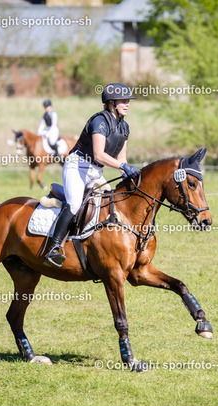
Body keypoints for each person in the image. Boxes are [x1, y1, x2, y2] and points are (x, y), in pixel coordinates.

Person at [43, 83, 140, 268]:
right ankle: (54, 248)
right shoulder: (100, 122)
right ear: (111, 103)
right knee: (74, 204)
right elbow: (99, 155)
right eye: (123, 101)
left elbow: (121, 158)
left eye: (128, 101)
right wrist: (123, 166)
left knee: (113, 203)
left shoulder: (124, 127)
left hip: (95, 172)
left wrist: (129, 176)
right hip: (77, 167)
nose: (127, 104)